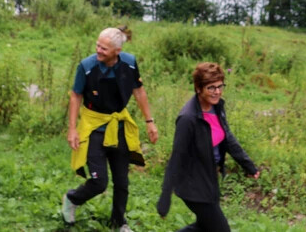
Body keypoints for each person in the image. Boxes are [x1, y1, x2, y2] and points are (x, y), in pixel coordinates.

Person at [62, 27, 158, 231]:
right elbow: (75, 96)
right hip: (94, 126)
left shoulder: (130, 64)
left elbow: (139, 91)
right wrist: (72, 129)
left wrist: (149, 121)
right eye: (97, 45)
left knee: (122, 182)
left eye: (103, 48)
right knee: (99, 182)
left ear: (117, 50)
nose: (98, 50)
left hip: (119, 125)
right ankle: (72, 199)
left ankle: (118, 221)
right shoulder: (87, 67)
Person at [157, 62, 260, 232]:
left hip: (209, 178)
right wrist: (165, 197)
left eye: (220, 86)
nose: (217, 92)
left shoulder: (216, 107)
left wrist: (247, 164)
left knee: (203, 227)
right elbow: (177, 158)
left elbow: (227, 138)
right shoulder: (188, 118)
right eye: (211, 87)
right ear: (198, 88)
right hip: (193, 185)